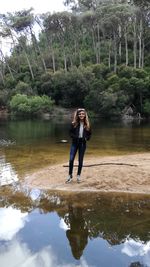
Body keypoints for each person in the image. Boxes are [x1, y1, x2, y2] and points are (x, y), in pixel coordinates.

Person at [66, 108, 91, 183]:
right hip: (74, 143)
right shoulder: (74, 123)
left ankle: (78, 176)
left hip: (82, 144)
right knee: (71, 159)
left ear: (85, 115)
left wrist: (86, 138)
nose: (81, 115)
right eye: (80, 114)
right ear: (77, 115)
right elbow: (70, 133)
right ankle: (70, 176)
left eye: (83, 114)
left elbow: (90, 134)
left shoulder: (87, 124)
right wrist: (74, 137)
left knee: (80, 161)